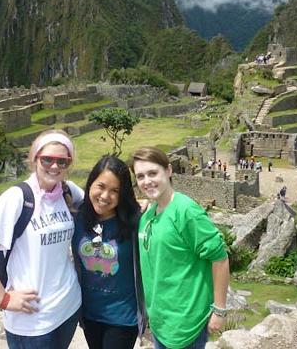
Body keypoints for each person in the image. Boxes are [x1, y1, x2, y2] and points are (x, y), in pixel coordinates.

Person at [0, 130, 84, 349]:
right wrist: (2, 298)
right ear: (34, 159)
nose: (55, 166)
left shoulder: (68, 191)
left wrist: (141, 208)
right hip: (32, 320)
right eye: (47, 159)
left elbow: (101, 203)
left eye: (63, 161)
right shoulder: (17, 197)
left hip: (68, 307)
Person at [131, 147, 229, 348]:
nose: (147, 181)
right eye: (140, 176)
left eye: (152, 173)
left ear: (168, 171)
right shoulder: (149, 214)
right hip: (161, 322)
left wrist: (219, 310)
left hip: (186, 323)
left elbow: (220, 258)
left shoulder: (186, 211)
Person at [72, 155, 145, 349]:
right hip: (89, 314)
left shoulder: (135, 222)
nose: (105, 196)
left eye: (115, 191)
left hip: (122, 317)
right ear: (90, 184)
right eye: (101, 186)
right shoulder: (77, 217)